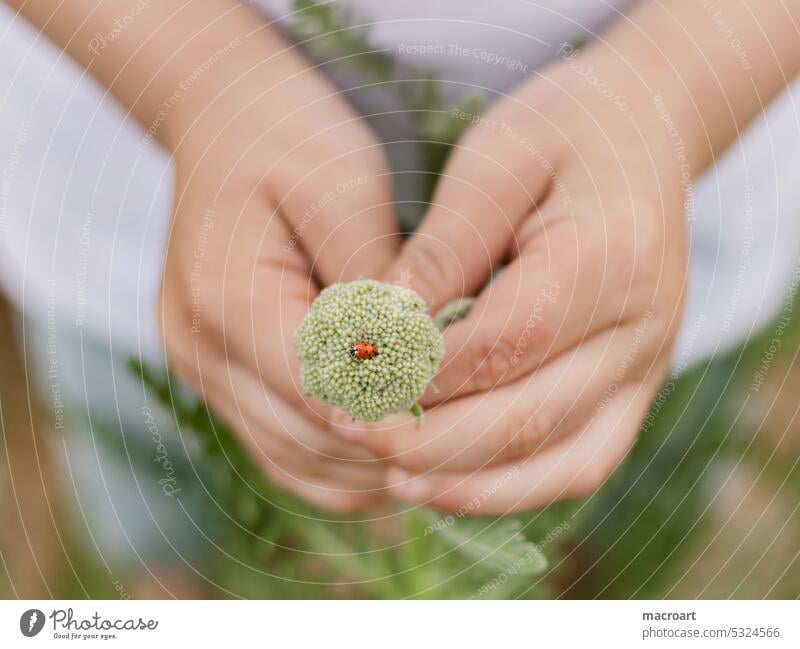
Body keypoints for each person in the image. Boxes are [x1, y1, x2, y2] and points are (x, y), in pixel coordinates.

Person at [1, 0, 799, 530]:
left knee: (600, 547)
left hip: (656, 244)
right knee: (173, 543)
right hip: (130, 227)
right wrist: (192, 74)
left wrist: (678, 91)